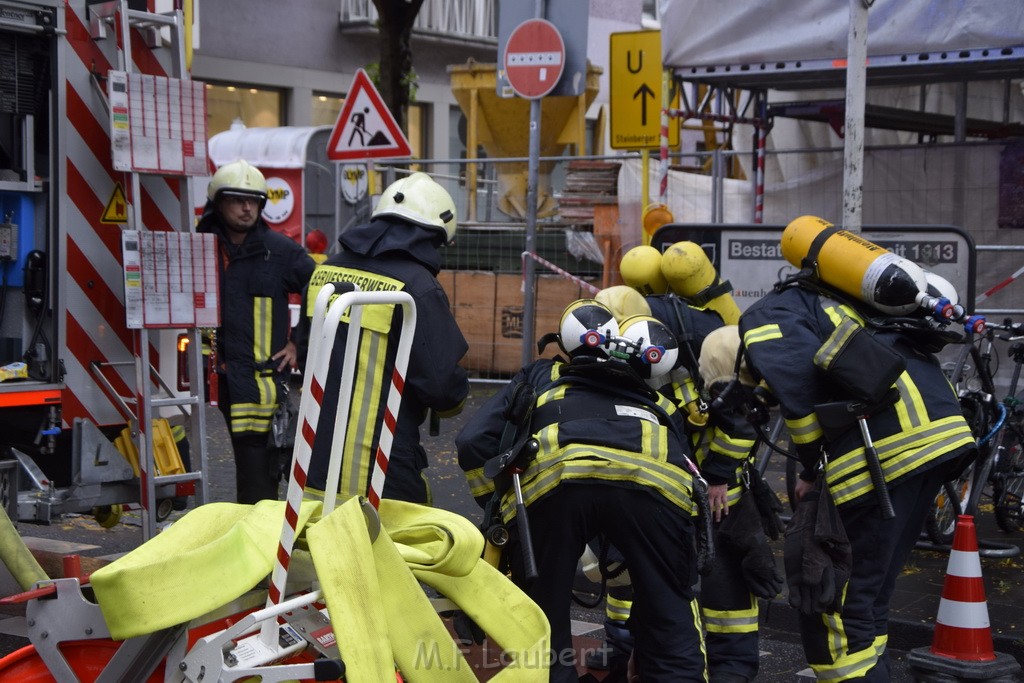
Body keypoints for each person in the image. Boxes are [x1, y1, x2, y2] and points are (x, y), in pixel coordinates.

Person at [737, 223, 976, 681]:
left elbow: (798, 389)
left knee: (834, 607)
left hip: (883, 452)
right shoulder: (849, 301)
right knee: (869, 594)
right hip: (939, 436)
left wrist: (810, 465)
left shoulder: (773, 312)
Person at [457, 299, 707, 683]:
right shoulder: (661, 403)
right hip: (656, 493)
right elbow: (684, 467)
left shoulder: (542, 376)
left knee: (543, 625)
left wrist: (500, 505)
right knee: (670, 618)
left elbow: (473, 442)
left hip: (554, 484)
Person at [303, 172, 468, 504]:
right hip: (379, 469)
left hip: (310, 459)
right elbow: (444, 391)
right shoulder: (417, 286)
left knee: (317, 547)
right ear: (434, 234)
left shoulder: (325, 272)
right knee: (396, 551)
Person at [198, 159, 316, 504]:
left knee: (258, 478)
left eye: (254, 200)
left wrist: (298, 341)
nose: (247, 207)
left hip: (258, 384)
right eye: (237, 199)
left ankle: (259, 543)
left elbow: (321, 286)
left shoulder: (279, 252)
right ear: (218, 203)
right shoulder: (199, 247)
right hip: (207, 378)